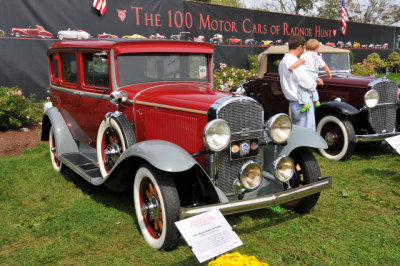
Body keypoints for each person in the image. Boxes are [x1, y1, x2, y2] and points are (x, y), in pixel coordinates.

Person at [278, 35, 323, 131]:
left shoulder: (283, 61)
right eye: (303, 49)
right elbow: (305, 80)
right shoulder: (293, 61)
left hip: (295, 103)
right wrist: (315, 83)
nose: (304, 51)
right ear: (299, 47)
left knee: (298, 133)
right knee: (307, 134)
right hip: (302, 102)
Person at [288, 39, 332, 113]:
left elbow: (300, 61)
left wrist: (292, 66)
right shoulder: (318, 57)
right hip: (315, 74)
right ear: (317, 49)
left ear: (306, 48)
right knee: (313, 88)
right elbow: (324, 65)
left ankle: (305, 104)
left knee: (303, 89)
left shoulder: (305, 55)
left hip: (308, 73)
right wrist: (329, 72)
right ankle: (316, 101)